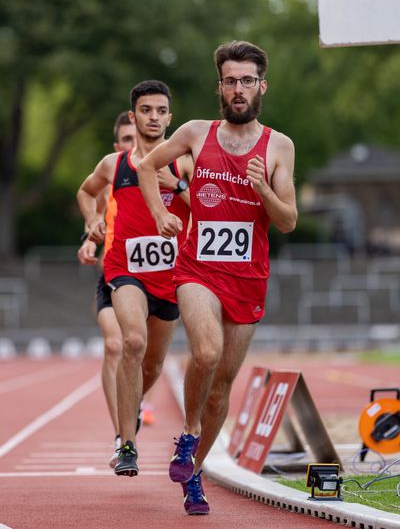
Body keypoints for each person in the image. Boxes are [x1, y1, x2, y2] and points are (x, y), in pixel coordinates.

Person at [137, 41, 297, 515]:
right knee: (204, 351)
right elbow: (147, 166)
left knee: (223, 385)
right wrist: (159, 215)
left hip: (248, 279)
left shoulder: (278, 145)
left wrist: (263, 187)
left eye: (248, 80)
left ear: (261, 86)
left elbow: (287, 220)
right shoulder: (195, 133)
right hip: (197, 269)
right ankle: (187, 437)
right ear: (220, 87)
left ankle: (194, 476)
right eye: (231, 80)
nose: (239, 89)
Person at [77, 80, 192, 477]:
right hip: (126, 269)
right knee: (132, 342)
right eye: (146, 110)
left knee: (154, 364)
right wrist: (92, 220)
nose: (154, 117)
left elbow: (205, 208)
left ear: (170, 117)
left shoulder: (185, 162)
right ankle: (127, 444)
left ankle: (132, 409)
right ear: (134, 116)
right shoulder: (116, 165)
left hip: (171, 277)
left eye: (161, 111)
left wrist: (175, 184)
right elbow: (85, 191)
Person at [77, 111, 138, 467]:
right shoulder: (111, 180)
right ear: (118, 147)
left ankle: (133, 404)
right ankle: (122, 437)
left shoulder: (163, 174)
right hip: (113, 280)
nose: (134, 145)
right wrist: (88, 242)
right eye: (127, 140)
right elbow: (93, 226)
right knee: (114, 345)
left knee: (144, 357)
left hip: (152, 281)